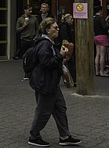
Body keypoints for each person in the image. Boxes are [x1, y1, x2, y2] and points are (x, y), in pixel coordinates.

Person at [28, 18, 81, 147]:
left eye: (57, 27)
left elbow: (51, 61)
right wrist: (60, 55)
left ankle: (65, 136)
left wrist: (60, 58)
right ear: (47, 30)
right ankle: (34, 136)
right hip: (45, 83)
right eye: (55, 28)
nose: (58, 29)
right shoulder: (44, 44)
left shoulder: (49, 43)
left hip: (51, 82)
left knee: (60, 108)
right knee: (43, 111)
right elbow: (45, 63)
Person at [17, 4, 40, 79]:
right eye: (29, 10)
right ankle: (26, 73)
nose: (31, 11)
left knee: (33, 57)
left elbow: (37, 28)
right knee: (25, 57)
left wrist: (36, 36)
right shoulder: (20, 19)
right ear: (25, 10)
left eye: (31, 10)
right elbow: (17, 30)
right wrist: (24, 26)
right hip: (24, 39)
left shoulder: (34, 19)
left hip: (32, 40)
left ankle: (33, 72)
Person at [57, 15, 76, 84]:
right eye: (71, 19)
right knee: (70, 64)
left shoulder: (65, 26)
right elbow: (64, 39)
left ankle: (72, 79)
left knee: (65, 64)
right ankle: (74, 80)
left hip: (65, 47)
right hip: (66, 48)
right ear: (67, 19)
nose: (72, 20)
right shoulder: (64, 27)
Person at [93, 6, 109, 77]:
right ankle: (102, 72)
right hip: (102, 36)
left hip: (96, 36)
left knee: (97, 54)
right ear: (100, 10)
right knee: (102, 55)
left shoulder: (93, 18)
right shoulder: (100, 18)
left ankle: (97, 71)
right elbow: (105, 27)